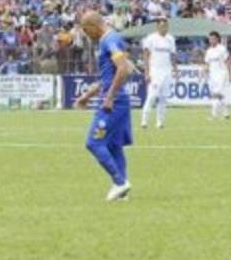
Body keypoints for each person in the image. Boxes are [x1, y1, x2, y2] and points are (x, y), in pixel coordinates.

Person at [74, 11, 134, 202]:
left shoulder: (110, 40)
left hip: (113, 103)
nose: (86, 35)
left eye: (86, 30)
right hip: (118, 100)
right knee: (114, 145)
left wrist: (109, 97)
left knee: (93, 143)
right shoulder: (107, 41)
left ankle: (119, 182)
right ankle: (122, 190)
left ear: (93, 26)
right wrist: (87, 96)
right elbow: (109, 76)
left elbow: (124, 69)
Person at [140, 18, 177, 129]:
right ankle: (144, 120)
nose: (164, 28)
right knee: (152, 96)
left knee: (163, 98)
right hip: (155, 71)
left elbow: (172, 55)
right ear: (157, 27)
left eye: (165, 26)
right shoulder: (151, 38)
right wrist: (146, 73)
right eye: (161, 26)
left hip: (167, 71)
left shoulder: (170, 39)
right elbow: (146, 56)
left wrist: (175, 69)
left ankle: (160, 122)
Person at [202, 31, 230, 120]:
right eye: (210, 39)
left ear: (217, 39)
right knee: (219, 95)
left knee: (216, 95)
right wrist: (204, 72)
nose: (211, 40)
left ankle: (214, 115)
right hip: (212, 76)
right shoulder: (209, 51)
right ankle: (226, 113)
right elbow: (207, 63)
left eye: (213, 39)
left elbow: (227, 61)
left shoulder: (222, 49)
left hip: (221, 74)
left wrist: (230, 74)